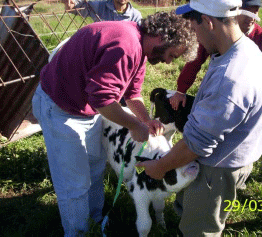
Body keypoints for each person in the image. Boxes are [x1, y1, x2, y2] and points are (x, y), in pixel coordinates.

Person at [32, 11, 198, 237]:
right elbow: (103, 100)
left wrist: (145, 120)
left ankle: (95, 219)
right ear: (162, 38)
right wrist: (135, 126)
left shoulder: (139, 48)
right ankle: (79, 233)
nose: (169, 61)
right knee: (74, 183)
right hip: (61, 109)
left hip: (84, 109)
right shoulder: (125, 45)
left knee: (94, 168)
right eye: (171, 55)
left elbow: (132, 93)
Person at [136, 0, 262, 236]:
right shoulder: (243, 50)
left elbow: (195, 145)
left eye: (193, 26)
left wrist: (159, 167)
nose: (193, 34)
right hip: (229, 156)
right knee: (191, 211)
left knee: (199, 230)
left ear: (208, 22)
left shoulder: (231, 78)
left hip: (216, 170)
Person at [169, 0, 262, 133]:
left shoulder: (227, 79)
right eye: (248, 10)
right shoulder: (216, 38)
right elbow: (195, 61)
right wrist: (181, 90)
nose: (252, 16)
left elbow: (198, 142)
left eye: (256, 10)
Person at [64, 0, 142, 24]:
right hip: (101, 54)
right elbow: (76, 7)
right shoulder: (99, 6)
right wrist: (71, 4)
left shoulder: (135, 16)